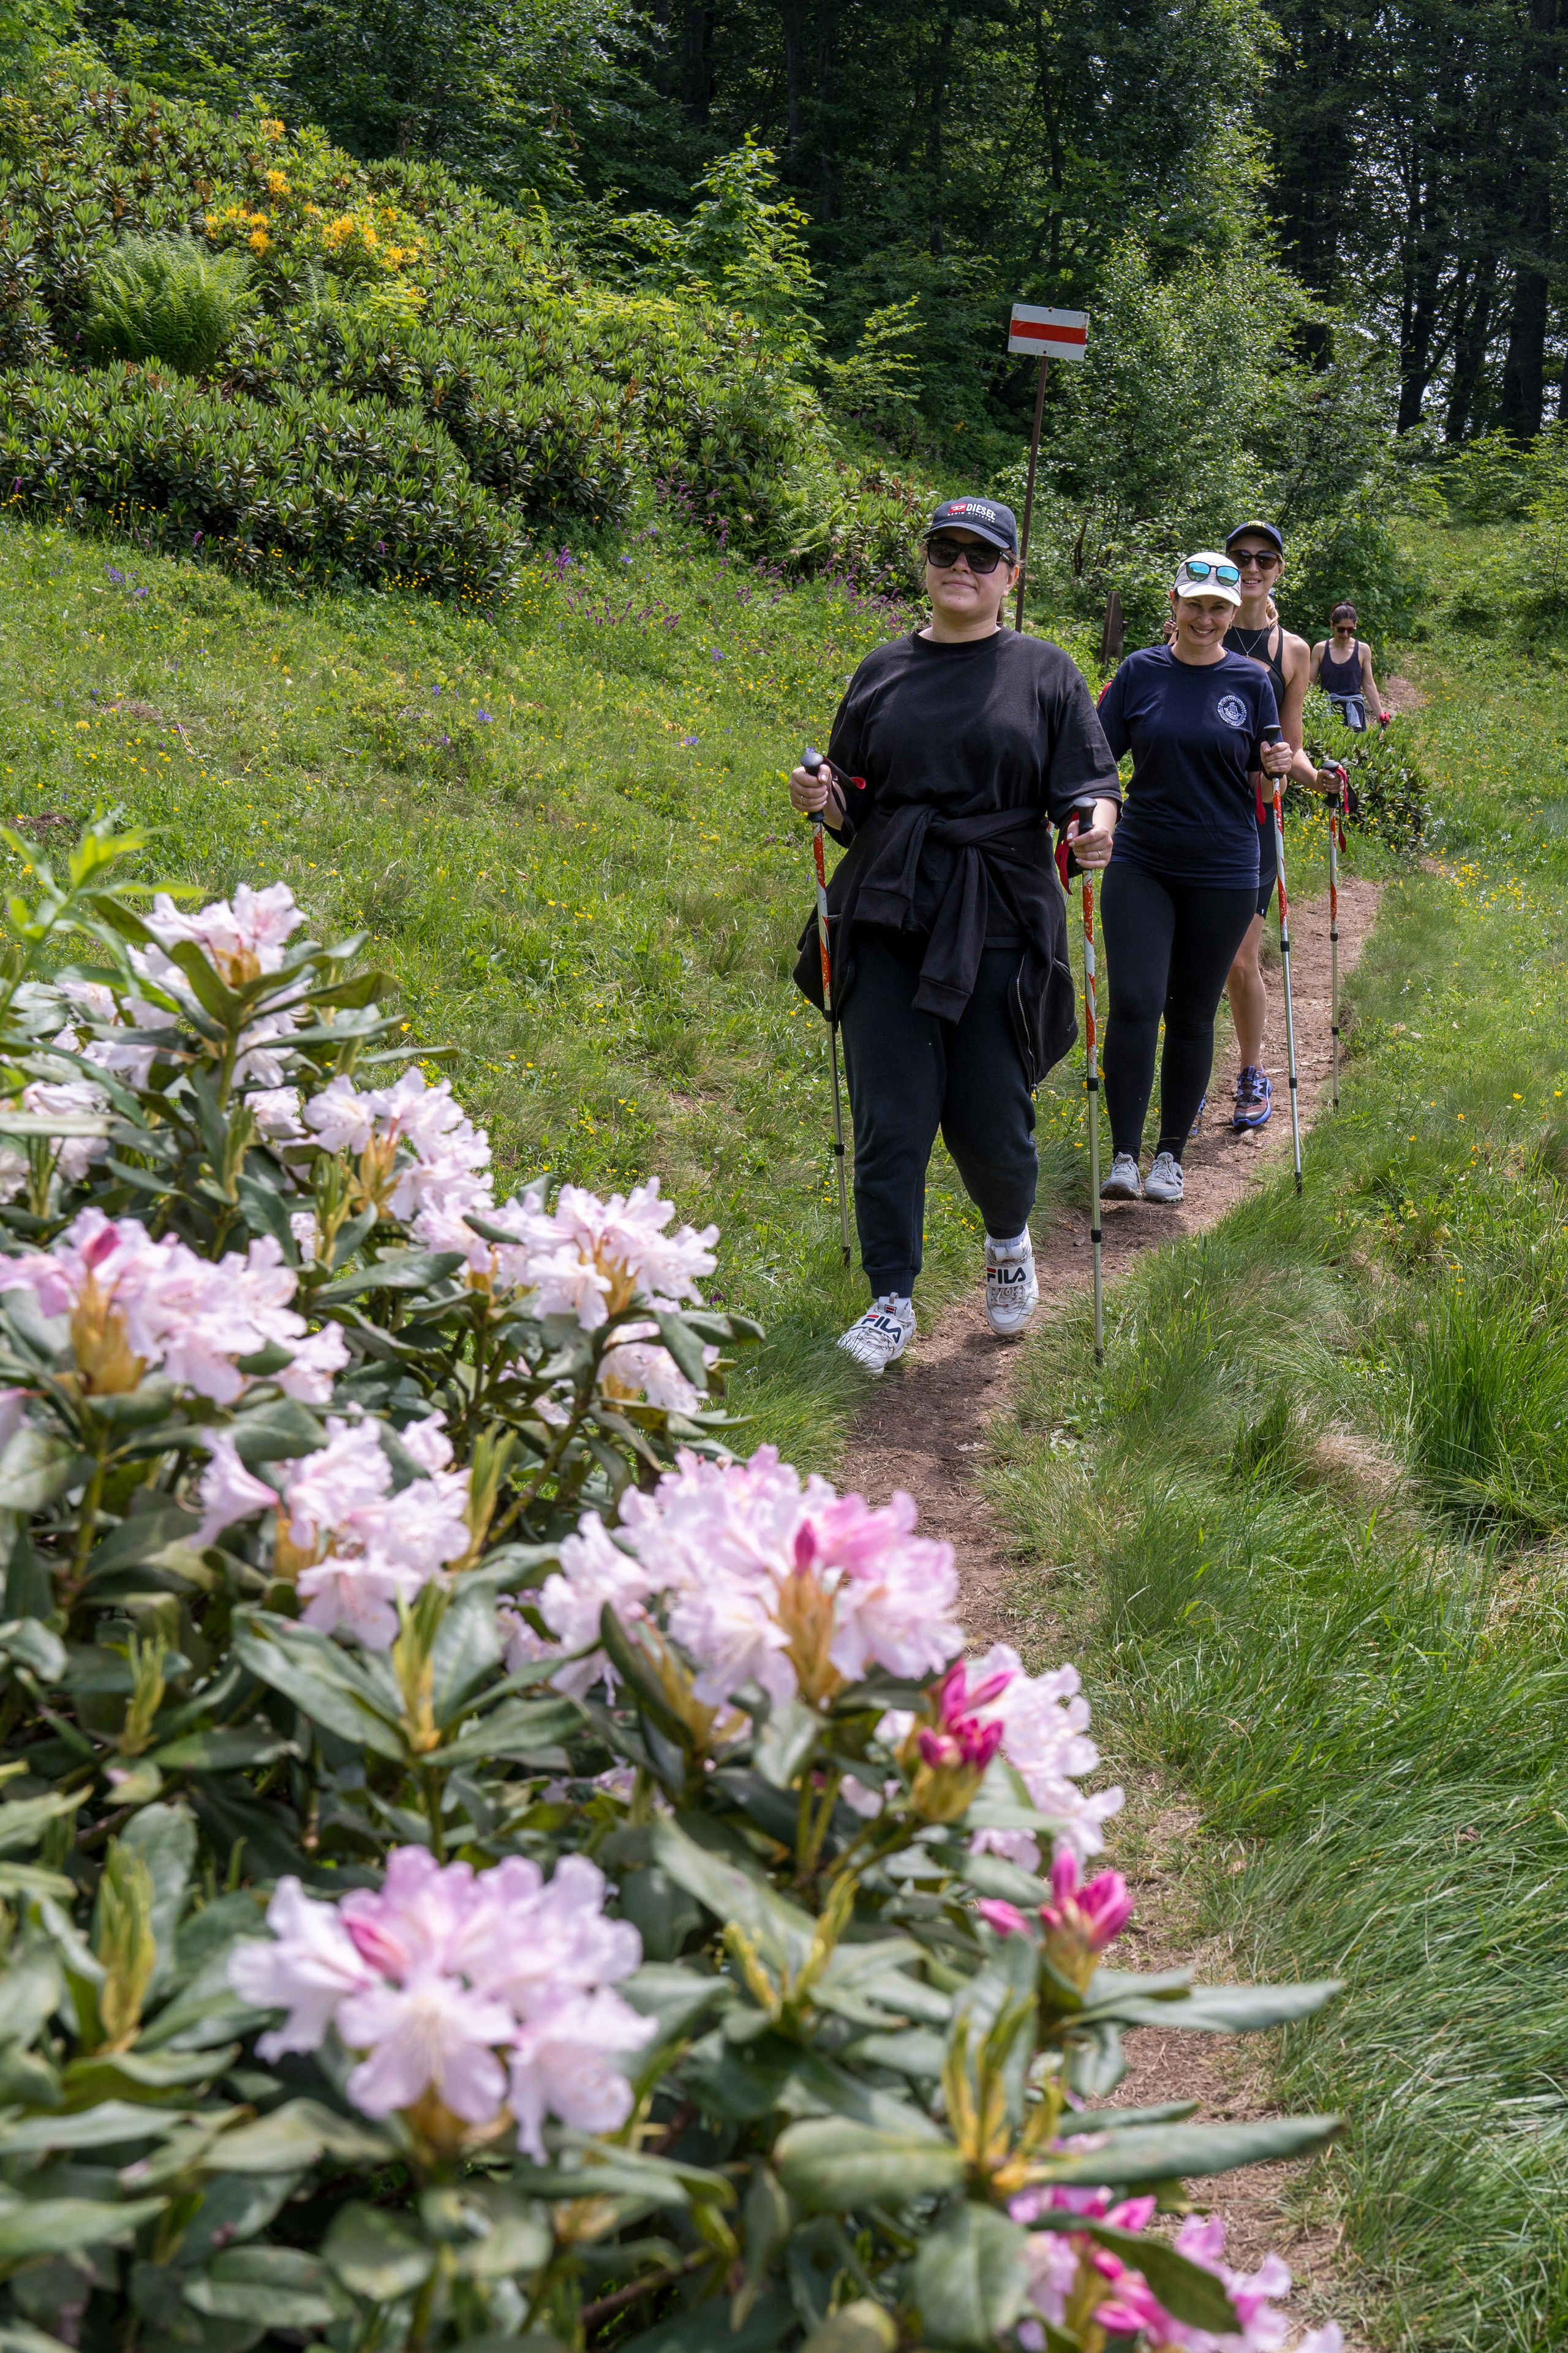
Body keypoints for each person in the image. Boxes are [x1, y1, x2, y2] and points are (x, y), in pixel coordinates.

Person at [787, 496, 1121, 1375]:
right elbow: (854, 801)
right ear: (928, 564)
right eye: (946, 550)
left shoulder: (1046, 672)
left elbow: (1091, 785)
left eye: (982, 555)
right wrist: (823, 797)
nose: (961, 567)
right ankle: (891, 1296)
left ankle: (1009, 1238)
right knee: (889, 1121)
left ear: (1012, 574)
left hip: (1000, 916)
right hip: (887, 913)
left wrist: (1095, 827)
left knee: (991, 1123)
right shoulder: (881, 670)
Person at [1094, 553, 1293, 1207]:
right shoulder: (1140, 671)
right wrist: (1083, 815)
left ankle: (1169, 1158)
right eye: (1194, 604)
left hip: (1225, 866)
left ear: (1234, 612)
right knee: (1135, 1001)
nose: (1204, 618)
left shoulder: (1253, 680)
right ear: (1174, 604)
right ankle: (1124, 1154)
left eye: (1218, 608)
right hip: (1142, 858)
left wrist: (1278, 765)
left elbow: (1266, 779)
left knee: (1189, 1012)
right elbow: (1097, 758)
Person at [1220, 521, 1330, 1133]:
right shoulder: (1196, 622)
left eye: (1264, 558)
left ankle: (1250, 1071)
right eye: (1240, 557)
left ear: (1279, 569)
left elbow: (1291, 747)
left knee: (1240, 960)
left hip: (1252, 816)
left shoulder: (1291, 651)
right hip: (1187, 812)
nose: (1252, 567)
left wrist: (1314, 780)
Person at [1311, 602, 1387, 731]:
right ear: (1332, 625)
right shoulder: (1320, 649)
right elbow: (1309, 684)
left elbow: (1368, 684)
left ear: (1355, 626)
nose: (1345, 634)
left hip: (1355, 713)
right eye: (1341, 629)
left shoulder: (1363, 650)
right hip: (1327, 711)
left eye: (1351, 630)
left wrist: (1380, 713)